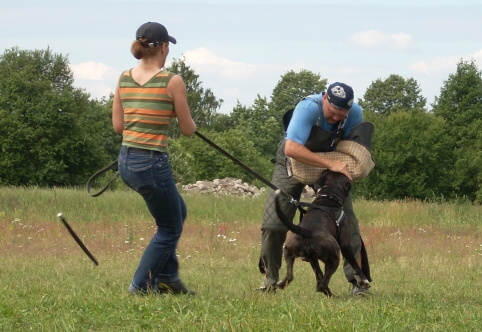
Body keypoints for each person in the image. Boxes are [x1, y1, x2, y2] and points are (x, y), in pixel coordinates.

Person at [258, 82, 371, 296]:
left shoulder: (355, 113)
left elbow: (349, 146)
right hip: (294, 159)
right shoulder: (309, 108)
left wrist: (350, 166)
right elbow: (292, 147)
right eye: (332, 112)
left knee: (348, 224)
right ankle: (271, 280)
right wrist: (330, 165)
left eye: (342, 114)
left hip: (330, 159)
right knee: (273, 224)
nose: (336, 118)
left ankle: (359, 283)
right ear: (325, 99)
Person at [112, 22, 197, 295]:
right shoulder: (172, 81)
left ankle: (169, 276)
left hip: (126, 161)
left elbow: (118, 126)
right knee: (169, 228)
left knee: (177, 212)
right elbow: (187, 130)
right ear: (163, 47)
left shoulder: (124, 77)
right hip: (150, 162)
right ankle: (140, 286)